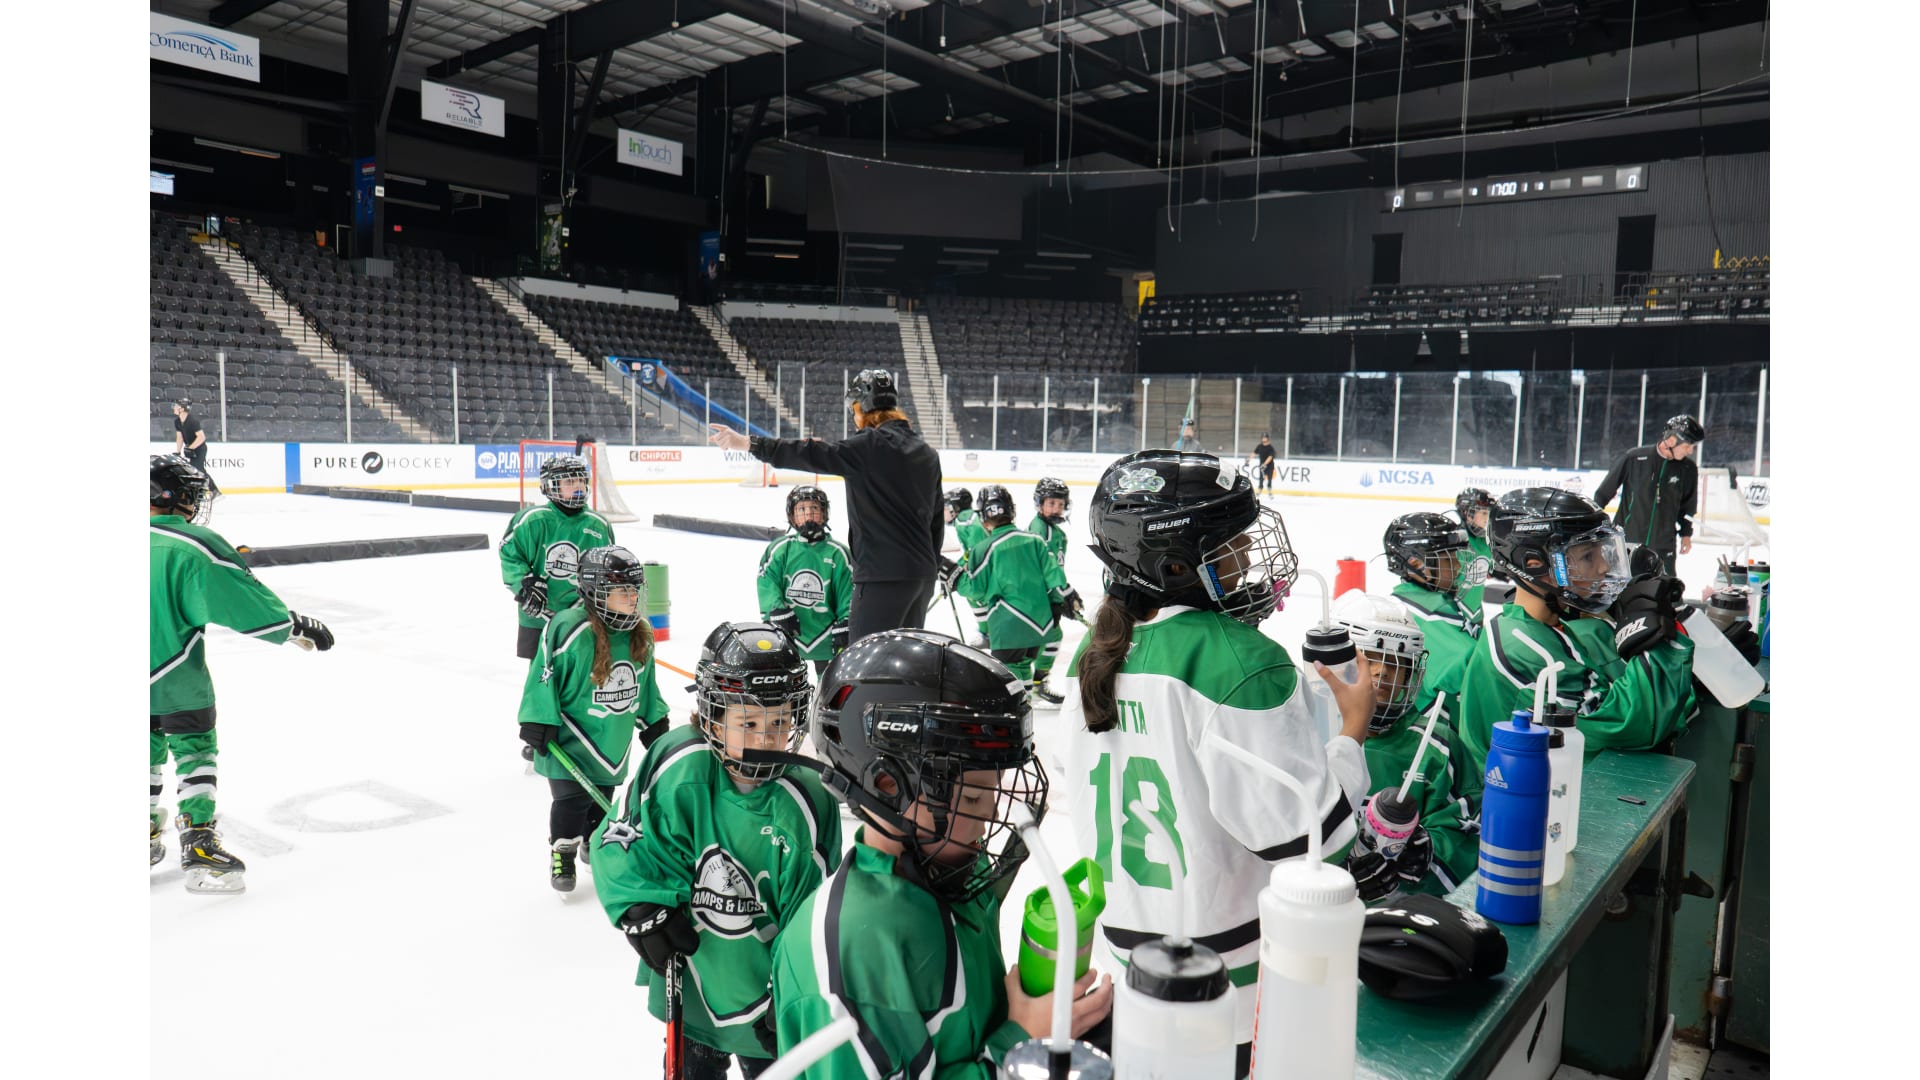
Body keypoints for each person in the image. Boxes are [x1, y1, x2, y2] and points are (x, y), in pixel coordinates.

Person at [1061, 449, 1375, 1075]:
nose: (1249, 553)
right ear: (1174, 565)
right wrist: (1352, 733)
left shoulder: (1085, 658)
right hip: (1228, 980)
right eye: (1231, 544)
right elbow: (1310, 840)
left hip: (1129, 962)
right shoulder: (1241, 660)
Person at [768, 630, 1111, 1078]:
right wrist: (1015, 1043)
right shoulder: (852, 957)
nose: (991, 813)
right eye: (973, 798)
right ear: (886, 785)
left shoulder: (952, 871)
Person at [592, 621, 838, 1080]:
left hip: (767, 994)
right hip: (693, 979)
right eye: (748, 722)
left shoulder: (807, 802)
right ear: (712, 714)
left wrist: (798, 989)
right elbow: (624, 838)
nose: (765, 739)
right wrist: (639, 903)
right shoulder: (679, 766)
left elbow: (815, 917)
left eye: (780, 721)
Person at [151, 455, 333, 893]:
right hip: (175, 674)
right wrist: (291, 627)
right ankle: (198, 841)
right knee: (195, 748)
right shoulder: (193, 544)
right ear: (170, 496)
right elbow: (241, 602)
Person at [1455, 488, 1699, 778]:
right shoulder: (1523, 647)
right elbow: (1631, 725)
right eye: (1587, 556)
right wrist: (1652, 633)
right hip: (1523, 800)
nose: (1604, 566)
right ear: (1534, 564)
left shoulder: (1559, 625)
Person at [709, 370, 943, 643]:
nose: (854, 417)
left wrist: (749, 443)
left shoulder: (867, 447)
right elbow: (935, 521)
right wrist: (931, 565)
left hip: (881, 577)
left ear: (862, 407)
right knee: (906, 656)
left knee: (865, 657)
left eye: (854, 409)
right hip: (921, 578)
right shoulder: (927, 453)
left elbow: (810, 453)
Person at [517, 545, 670, 892]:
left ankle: (594, 843)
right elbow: (543, 673)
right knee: (570, 803)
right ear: (595, 591)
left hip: (611, 740)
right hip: (570, 741)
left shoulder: (641, 633)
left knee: (601, 807)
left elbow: (646, 685)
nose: (632, 598)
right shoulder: (568, 629)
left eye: (634, 589)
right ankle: (563, 854)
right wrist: (538, 717)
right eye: (621, 590)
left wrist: (654, 721)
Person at [1331, 592, 1481, 902]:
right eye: (1369, 658)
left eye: (1396, 663)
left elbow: (1470, 826)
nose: (1381, 672)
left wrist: (1426, 850)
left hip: (1405, 913)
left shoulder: (1436, 747)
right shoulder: (1309, 734)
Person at [951, 485, 1071, 701]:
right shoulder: (1035, 539)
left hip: (1008, 628)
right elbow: (1054, 577)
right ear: (1011, 510)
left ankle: (1021, 713)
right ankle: (1028, 704)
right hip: (1038, 625)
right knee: (1023, 669)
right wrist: (1058, 602)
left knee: (1011, 682)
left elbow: (976, 591)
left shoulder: (984, 548)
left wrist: (954, 576)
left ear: (983, 516)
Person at [499, 454, 618, 664]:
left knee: (582, 671)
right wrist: (524, 584)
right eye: (569, 482)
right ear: (550, 486)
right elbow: (510, 555)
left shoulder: (598, 524)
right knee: (542, 674)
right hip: (539, 616)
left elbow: (607, 567)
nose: (578, 486)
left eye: (581, 480)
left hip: (583, 616)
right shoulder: (532, 520)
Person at [1383, 512, 1484, 730]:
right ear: (1417, 564)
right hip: (1432, 736)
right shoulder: (1426, 614)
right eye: (1449, 559)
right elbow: (1472, 666)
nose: (1459, 566)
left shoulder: (1418, 600)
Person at [757, 485, 853, 680]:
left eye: (814, 508)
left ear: (824, 513)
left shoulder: (838, 553)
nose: (808, 514)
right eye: (801, 509)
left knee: (828, 688)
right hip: (788, 634)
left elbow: (848, 592)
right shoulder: (780, 549)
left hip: (825, 637)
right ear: (792, 515)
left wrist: (846, 621)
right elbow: (767, 580)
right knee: (786, 686)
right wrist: (776, 609)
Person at [1593, 415, 1705, 577]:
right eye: (1687, 446)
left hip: (1663, 546)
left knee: (1666, 588)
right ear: (1671, 440)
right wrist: (1596, 524)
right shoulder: (1634, 459)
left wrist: (1686, 534)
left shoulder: (1688, 469)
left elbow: (1688, 505)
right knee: (1622, 588)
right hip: (1626, 543)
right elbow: (1603, 493)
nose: (1690, 451)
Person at [1025, 477, 1083, 705]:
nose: (1057, 508)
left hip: (1044, 596)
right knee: (1046, 640)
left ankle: (1033, 684)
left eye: (1060, 504)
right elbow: (1046, 568)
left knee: (1045, 640)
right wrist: (1064, 594)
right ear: (1039, 504)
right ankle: (1034, 685)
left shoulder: (1054, 531)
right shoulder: (1041, 530)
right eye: (1051, 503)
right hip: (1038, 598)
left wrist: (1061, 595)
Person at [1453, 487, 1498, 611]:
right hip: (1453, 611)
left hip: (1475, 611)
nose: (1487, 518)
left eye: (1488, 513)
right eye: (1483, 513)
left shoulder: (1486, 541)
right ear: (1467, 514)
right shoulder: (1456, 542)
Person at [172, 399, 221, 499]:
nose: (174, 408)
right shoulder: (177, 421)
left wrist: (191, 447)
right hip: (190, 449)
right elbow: (179, 437)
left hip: (199, 449)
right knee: (195, 471)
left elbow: (201, 437)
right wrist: (178, 451)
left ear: (182, 409)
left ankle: (212, 490)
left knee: (198, 469)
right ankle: (202, 493)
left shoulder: (192, 421)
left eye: (176, 406)